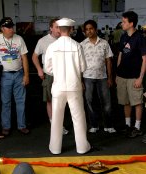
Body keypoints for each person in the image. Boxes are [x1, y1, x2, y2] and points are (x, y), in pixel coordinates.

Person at [45, 17, 91, 155]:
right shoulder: (77, 46)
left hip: (58, 87)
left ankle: (55, 148)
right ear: (71, 29)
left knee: (57, 118)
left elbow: (48, 69)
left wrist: (58, 72)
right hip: (74, 86)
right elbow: (83, 67)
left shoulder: (52, 47)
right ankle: (82, 147)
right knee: (78, 117)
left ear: (58, 29)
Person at [31, 18, 69, 135]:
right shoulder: (43, 41)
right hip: (49, 75)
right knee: (49, 100)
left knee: (61, 101)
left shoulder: (65, 40)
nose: (59, 29)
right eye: (56, 27)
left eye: (60, 27)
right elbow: (34, 56)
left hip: (63, 75)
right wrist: (39, 70)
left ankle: (59, 125)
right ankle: (54, 126)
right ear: (51, 28)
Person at [115, 11, 146, 138]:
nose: (122, 24)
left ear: (131, 23)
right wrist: (117, 73)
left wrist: (140, 77)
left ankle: (137, 127)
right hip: (122, 75)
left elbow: (145, 59)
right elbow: (120, 54)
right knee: (126, 101)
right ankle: (128, 125)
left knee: (137, 102)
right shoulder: (123, 37)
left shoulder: (139, 38)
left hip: (134, 76)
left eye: (124, 22)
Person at [81, 19, 116, 134]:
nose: (89, 31)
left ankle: (108, 125)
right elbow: (79, 63)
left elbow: (109, 61)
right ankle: (94, 125)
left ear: (95, 29)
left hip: (102, 77)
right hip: (87, 77)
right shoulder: (82, 45)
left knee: (106, 102)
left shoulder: (104, 43)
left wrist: (110, 77)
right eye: (86, 29)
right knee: (90, 101)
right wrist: (80, 80)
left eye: (91, 28)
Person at [0, 17, 30, 135]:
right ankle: (6, 126)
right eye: (8, 27)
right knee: (6, 102)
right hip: (5, 75)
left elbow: (24, 58)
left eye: (12, 27)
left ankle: (21, 125)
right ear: (2, 29)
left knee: (21, 101)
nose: (11, 29)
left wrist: (26, 75)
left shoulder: (19, 39)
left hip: (19, 73)